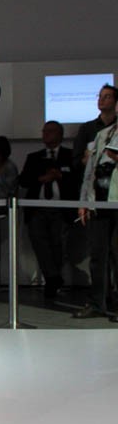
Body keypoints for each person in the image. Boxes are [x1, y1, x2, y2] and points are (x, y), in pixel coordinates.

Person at [18, 121, 77, 300]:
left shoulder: (70, 155)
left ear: (60, 134)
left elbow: (78, 179)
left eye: (50, 131)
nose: (46, 134)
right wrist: (42, 179)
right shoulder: (34, 157)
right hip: (38, 209)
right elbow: (24, 180)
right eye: (44, 131)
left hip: (61, 208)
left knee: (58, 245)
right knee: (40, 244)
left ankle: (53, 279)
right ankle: (53, 278)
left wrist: (60, 176)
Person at [75, 120, 118, 320]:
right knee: (98, 255)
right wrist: (84, 201)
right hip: (99, 201)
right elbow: (90, 171)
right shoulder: (103, 134)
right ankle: (97, 303)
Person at [73, 84, 117, 182]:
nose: (101, 100)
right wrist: (86, 160)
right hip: (93, 180)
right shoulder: (87, 128)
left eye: (107, 96)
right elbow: (76, 160)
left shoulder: (116, 128)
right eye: (100, 96)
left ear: (116, 102)